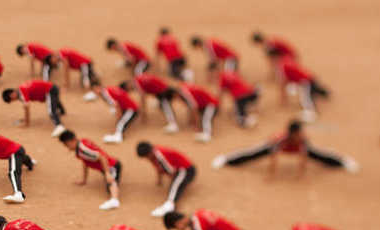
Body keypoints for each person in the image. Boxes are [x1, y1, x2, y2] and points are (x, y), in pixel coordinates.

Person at [212, 120, 359, 174]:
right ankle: (226, 159)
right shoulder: (279, 140)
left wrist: (301, 174)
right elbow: (273, 157)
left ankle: (343, 161)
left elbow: (303, 158)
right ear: (292, 133)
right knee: (253, 152)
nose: (301, 134)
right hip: (278, 147)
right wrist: (271, 173)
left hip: (295, 148)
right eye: (299, 132)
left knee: (321, 154)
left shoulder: (303, 140)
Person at [58, 130, 120, 210]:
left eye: (66, 144)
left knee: (110, 182)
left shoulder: (82, 150)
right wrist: (84, 180)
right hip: (106, 166)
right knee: (109, 179)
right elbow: (85, 163)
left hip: (112, 165)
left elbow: (102, 157)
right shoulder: (82, 144)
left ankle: (114, 200)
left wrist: (107, 173)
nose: (66, 147)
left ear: (72, 141)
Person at [135, 142, 196, 216]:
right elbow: (158, 168)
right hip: (179, 170)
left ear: (149, 153)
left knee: (175, 185)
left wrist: (174, 182)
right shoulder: (153, 154)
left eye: (146, 157)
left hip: (187, 170)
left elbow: (172, 172)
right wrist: (159, 180)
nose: (146, 159)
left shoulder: (160, 155)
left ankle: (170, 204)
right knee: (176, 183)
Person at [273, 53, 329, 121]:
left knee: (306, 101)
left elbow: (283, 84)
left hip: (305, 82)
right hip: (309, 77)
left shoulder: (281, 67)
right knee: (308, 89)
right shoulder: (286, 59)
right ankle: (322, 92)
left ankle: (312, 112)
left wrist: (283, 102)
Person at [2, 80, 66, 138]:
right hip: (52, 88)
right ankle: (62, 111)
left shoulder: (22, 92)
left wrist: (27, 123)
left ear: (12, 94)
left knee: (51, 111)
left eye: (12, 99)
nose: (14, 100)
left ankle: (59, 126)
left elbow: (27, 107)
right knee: (53, 102)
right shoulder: (20, 89)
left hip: (50, 90)